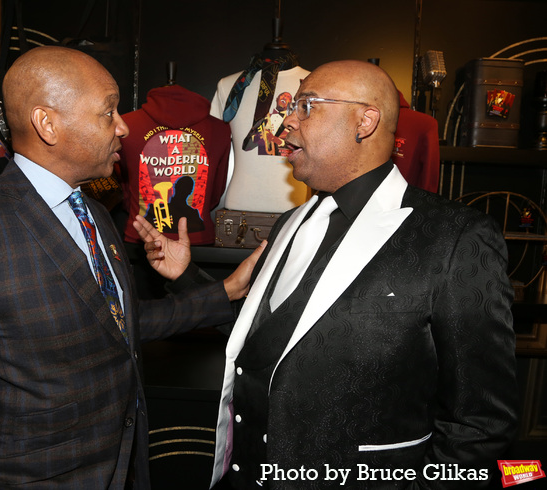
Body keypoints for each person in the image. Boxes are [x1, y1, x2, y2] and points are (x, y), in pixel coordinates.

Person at [0, 46, 262, 489]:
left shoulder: (92, 213)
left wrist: (225, 290)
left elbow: (119, 323)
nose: (122, 127)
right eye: (108, 112)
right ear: (48, 123)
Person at [205, 60, 517, 489]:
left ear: (365, 121)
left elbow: (481, 421)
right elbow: (270, 344)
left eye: (306, 106)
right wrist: (186, 278)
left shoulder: (455, 237)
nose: (284, 125)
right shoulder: (289, 223)